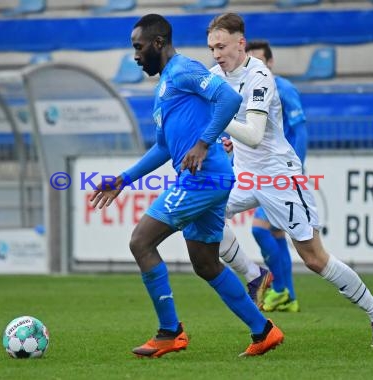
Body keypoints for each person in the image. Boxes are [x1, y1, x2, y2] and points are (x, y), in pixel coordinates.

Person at [90, 14, 283, 358]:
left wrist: (204, 142)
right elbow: (164, 148)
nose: (135, 56)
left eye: (139, 47)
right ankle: (263, 331)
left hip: (203, 178)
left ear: (158, 43)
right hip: (207, 178)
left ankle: (169, 332)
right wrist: (122, 180)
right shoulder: (165, 86)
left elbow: (229, 100)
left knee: (141, 241)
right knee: (206, 264)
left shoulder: (183, 69)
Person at [208, 13, 373, 347]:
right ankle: (256, 276)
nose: (216, 54)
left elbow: (252, 135)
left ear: (241, 42)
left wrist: (221, 125)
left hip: (278, 175)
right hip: (243, 174)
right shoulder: (214, 76)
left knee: (314, 258)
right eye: (211, 47)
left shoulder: (260, 77)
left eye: (221, 46)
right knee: (203, 213)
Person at [247, 40, 307, 312]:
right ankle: (289, 296)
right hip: (265, 171)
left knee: (259, 230)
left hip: (281, 173)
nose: (257, 67)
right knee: (277, 234)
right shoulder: (253, 90)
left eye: (261, 61)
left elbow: (300, 129)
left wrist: (296, 170)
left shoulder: (282, 88)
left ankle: (279, 287)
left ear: (270, 63)